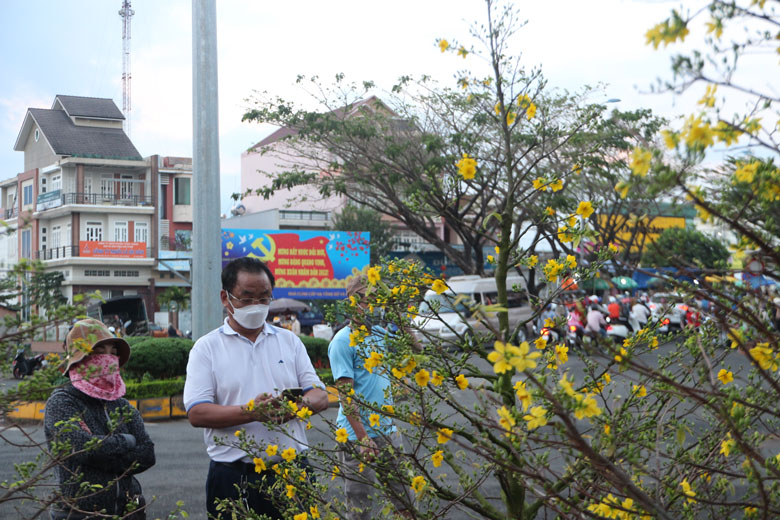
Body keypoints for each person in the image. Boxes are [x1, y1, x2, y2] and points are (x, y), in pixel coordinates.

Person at [183, 257, 329, 520]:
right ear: (225, 298)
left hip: (291, 470)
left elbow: (319, 395)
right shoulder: (206, 349)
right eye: (246, 298)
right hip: (233, 475)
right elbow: (198, 413)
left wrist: (295, 408)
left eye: (264, 298)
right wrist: (252, 412)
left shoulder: (290, 342)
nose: (256, 306)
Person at [44, 318, 155, 519]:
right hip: (79, 514)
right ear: (80, 358)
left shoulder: (121, 405)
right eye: (100, 352)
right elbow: (84, 449)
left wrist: (104, 453)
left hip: (128, 511)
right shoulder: (62, 403)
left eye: (113, 353)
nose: (109, 358)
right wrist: (127, 442)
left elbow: (147, 454)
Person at [328, 275, 412, 519]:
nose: (370, 305)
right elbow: (345, 395)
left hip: (387, 430)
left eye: (376, 299)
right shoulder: (343, 341)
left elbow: (415, 349)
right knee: (360, 509)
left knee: (406, 502)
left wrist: (399, 315)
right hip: (357, 436)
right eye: (364, 299)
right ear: (351, 302)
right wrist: (364, 439)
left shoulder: (379, 334)